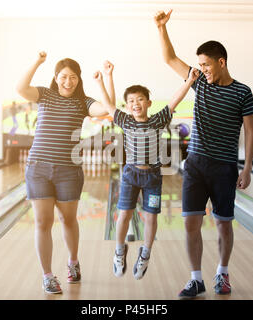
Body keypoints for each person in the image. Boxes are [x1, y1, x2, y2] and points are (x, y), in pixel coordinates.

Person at [154, 10, 253, 298]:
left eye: (206, 64)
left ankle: (222, 274)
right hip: (196, 165)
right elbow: (169, 58)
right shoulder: (198, 81)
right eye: (198, 65)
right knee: (190, 222)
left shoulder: (242, 93)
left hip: (224, 167)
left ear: (221, 62)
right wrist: (162, 28)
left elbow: (249, 131)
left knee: (223, 223)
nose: (201, 69)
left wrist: (247, 168)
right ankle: (196, 279)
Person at [93, 61, 200, 280]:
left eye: (140, 99)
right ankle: (120, 250)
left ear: (148, 102)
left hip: (152, 177)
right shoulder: (124, 119)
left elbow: (174, 100)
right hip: (131, 175)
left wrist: (189, 80)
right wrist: (103, 79)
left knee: (151, 218)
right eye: (131, 100)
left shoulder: (158, 119)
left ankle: (145, 254)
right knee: (124, 215)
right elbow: (107, 104)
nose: (135, 103)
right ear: (127, 104)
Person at [16, 51, 110, 294]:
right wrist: (36, 61)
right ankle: (47, 275)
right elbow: (20, 87)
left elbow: (107, 108)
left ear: (79, 79)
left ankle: (73, 261)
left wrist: (106, 79)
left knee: (68, 219)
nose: (68, 82)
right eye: (64, 77)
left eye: (73, 78)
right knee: (42, 222)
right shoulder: (44, 95)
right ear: (56, 77)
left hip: (69, 171)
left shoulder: (84, 102)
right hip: (38, 168)